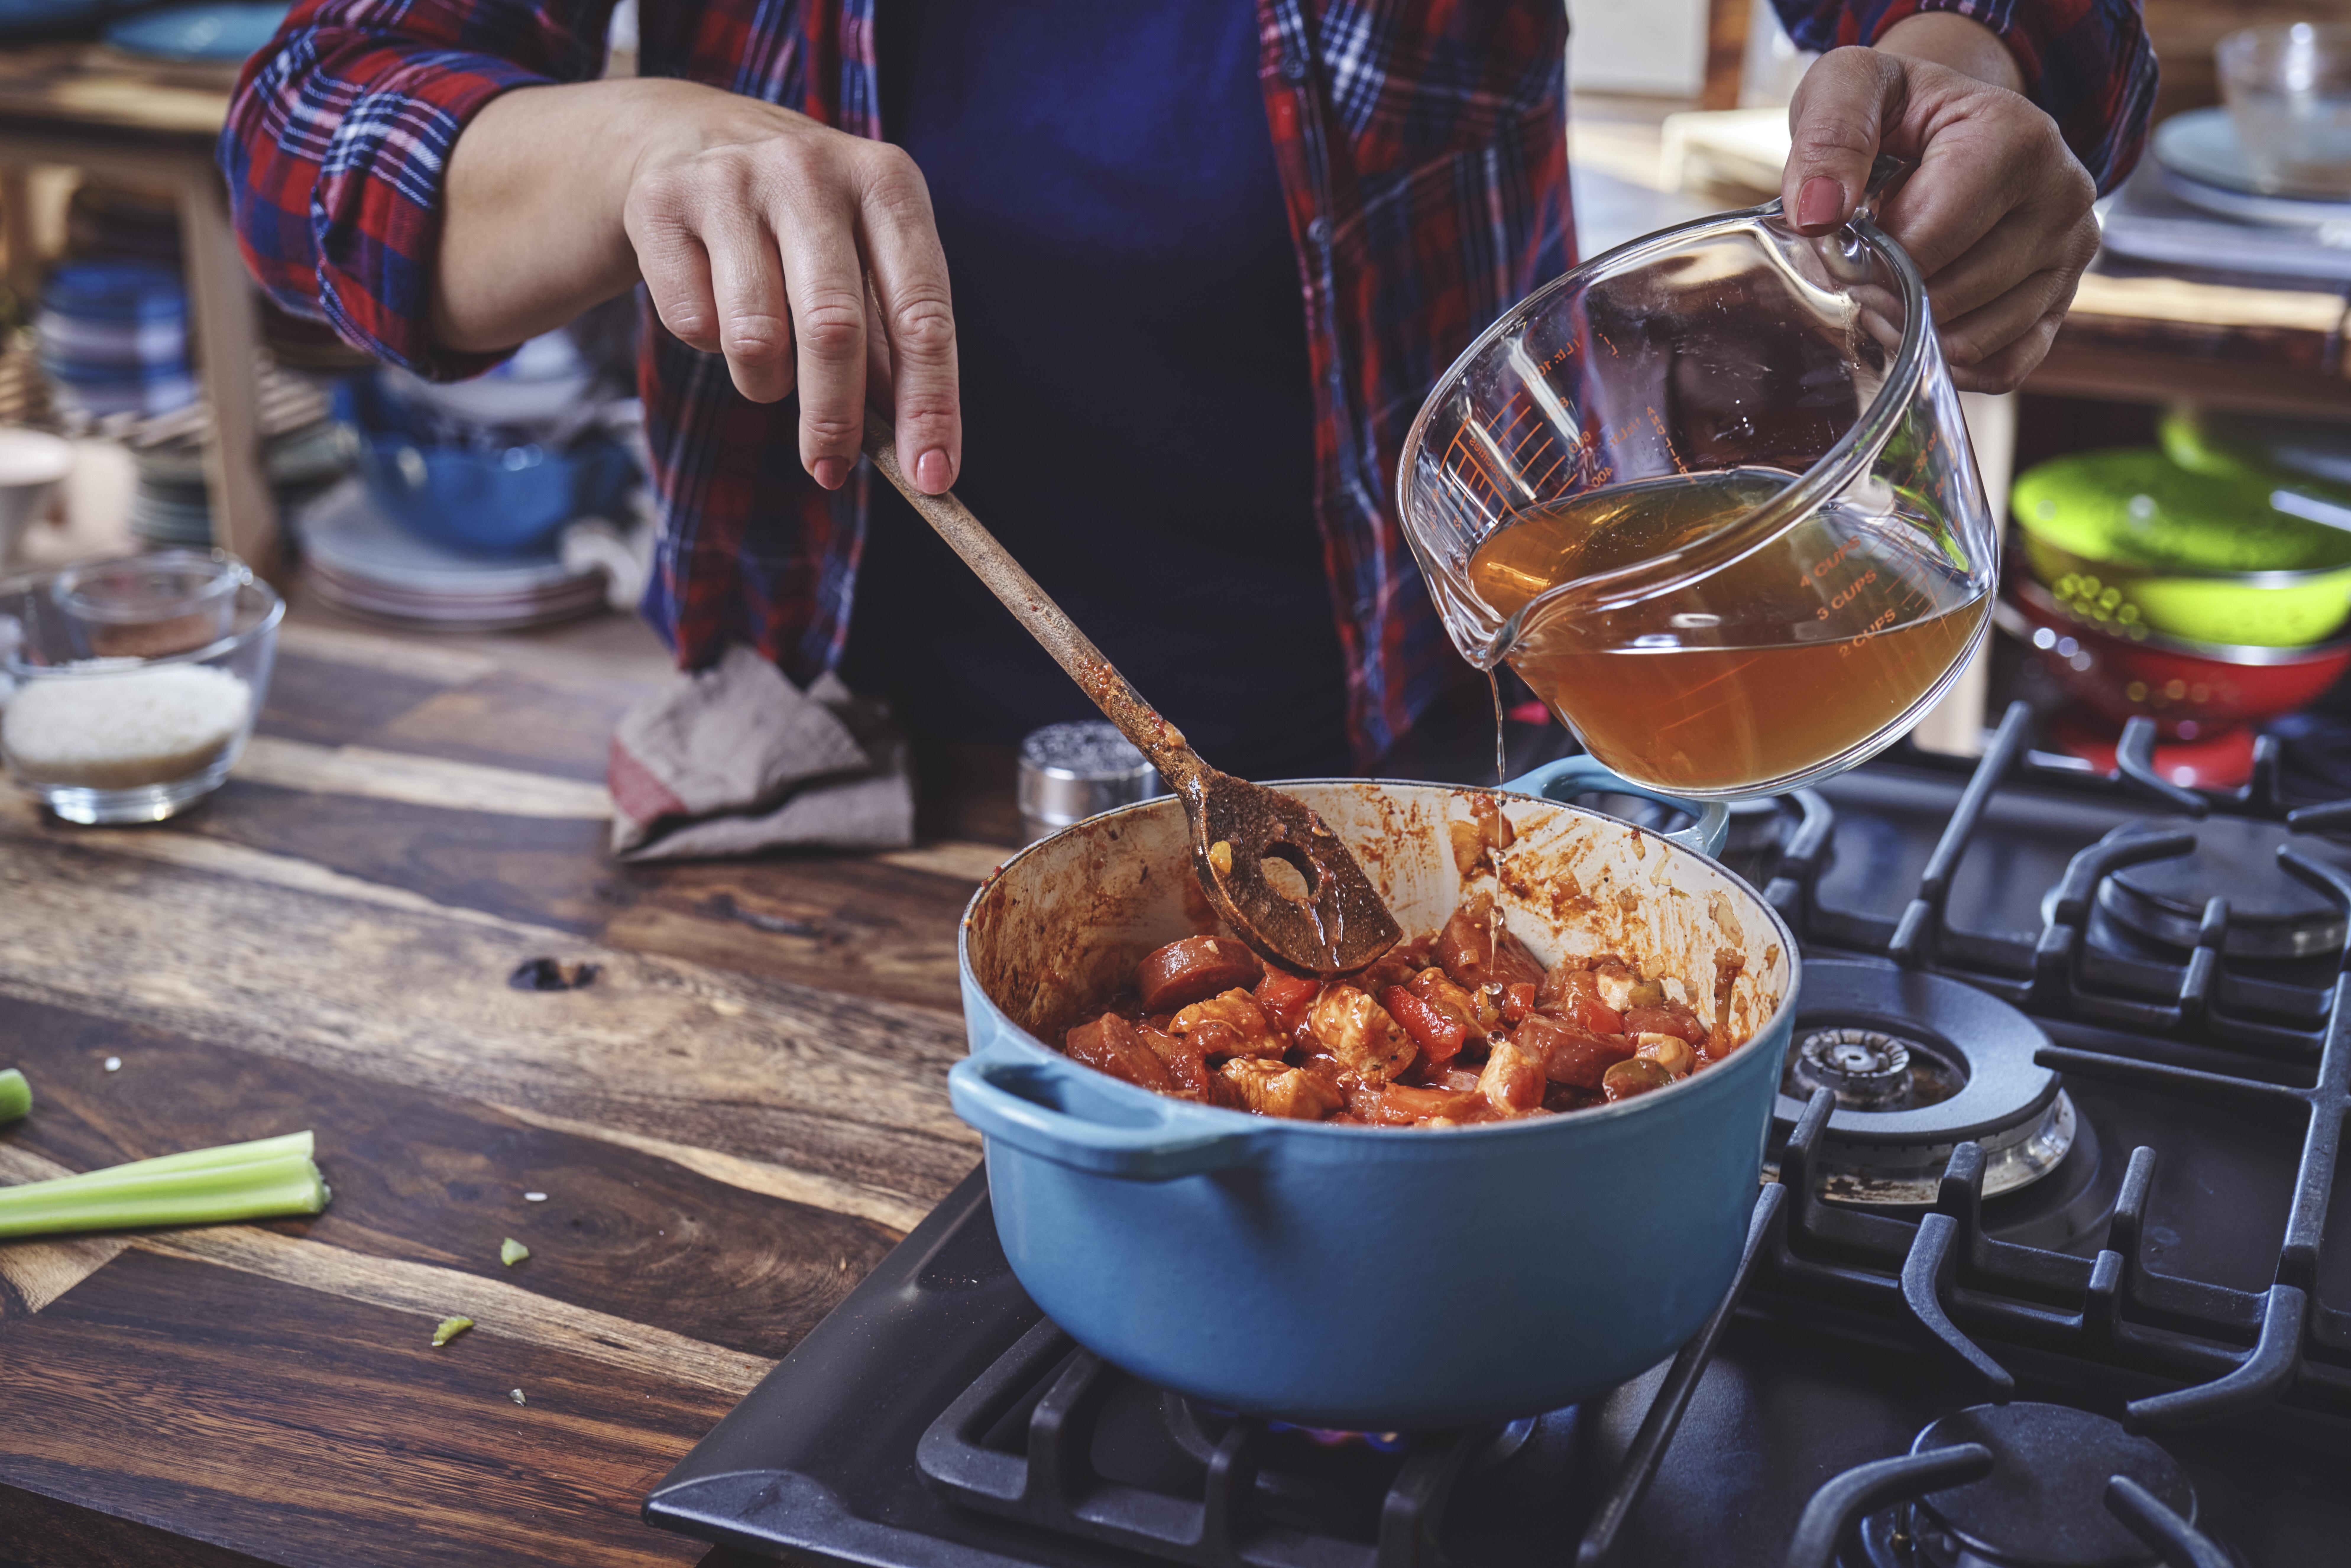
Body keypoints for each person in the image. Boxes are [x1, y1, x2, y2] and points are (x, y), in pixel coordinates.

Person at [222, 3, 2156, 782]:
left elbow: (2026, 24)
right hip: (839, 800)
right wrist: (631, 144)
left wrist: (1971, 72)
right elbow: (313, 127)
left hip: (1433, 767)